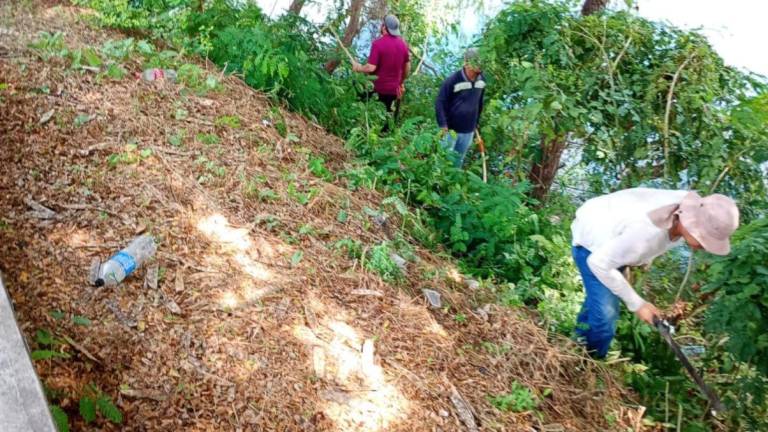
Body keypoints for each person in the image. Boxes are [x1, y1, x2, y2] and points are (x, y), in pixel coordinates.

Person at [570, 188, 739, 358]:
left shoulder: (685, 212)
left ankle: (578, 340)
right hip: (592, 241)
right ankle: (587, 363)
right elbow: (598, 263)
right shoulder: (646, 231)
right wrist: (638, 305)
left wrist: (633, 262)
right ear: (691, 223)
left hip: (616, 242)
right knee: (605, 318)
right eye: (705, 238)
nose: (706, 246)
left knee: (598, 300)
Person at [352, 15, 410, 122]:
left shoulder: (378, 44)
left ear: (384, 27)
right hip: (393, 92)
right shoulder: (403, 45)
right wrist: (401, 83)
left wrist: (358, 67)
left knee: (357, 93)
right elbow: (407, 68)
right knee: (386, 120)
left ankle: (357, 124)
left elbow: (370, 68)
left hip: (376, 89)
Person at [435, 47, 486, 167]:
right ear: (467, 63)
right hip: (450, 131)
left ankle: (452, 185)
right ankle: (437, 185)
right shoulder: (453, 80)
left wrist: (476, 123)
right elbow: (440, 102)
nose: (480, 66)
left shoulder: (482, 80)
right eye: (476, 62)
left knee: (458, 161)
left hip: (468, 130)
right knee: (443, 161)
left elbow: (479, 102)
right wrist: (443, 125)